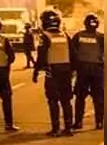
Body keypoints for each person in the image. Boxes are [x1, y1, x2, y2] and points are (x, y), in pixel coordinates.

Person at [32, 9, 75, 137]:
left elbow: (41, 56)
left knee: (53, 100)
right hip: (66, 71)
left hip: (53, 72)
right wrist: (73, 70)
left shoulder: (45, 36)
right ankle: (68, 128)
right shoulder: (65, 35)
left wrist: (35, 71)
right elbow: (73, 53)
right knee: (66, 100)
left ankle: (55, 128)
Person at [71, 13, 105, 130]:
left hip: (83, 71)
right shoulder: (101, 37)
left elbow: (72, 54)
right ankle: (99, 122)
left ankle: (78, 122)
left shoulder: (78, 36)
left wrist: (73, 70)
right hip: (97, 71)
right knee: (99, 98)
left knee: (80, 98)